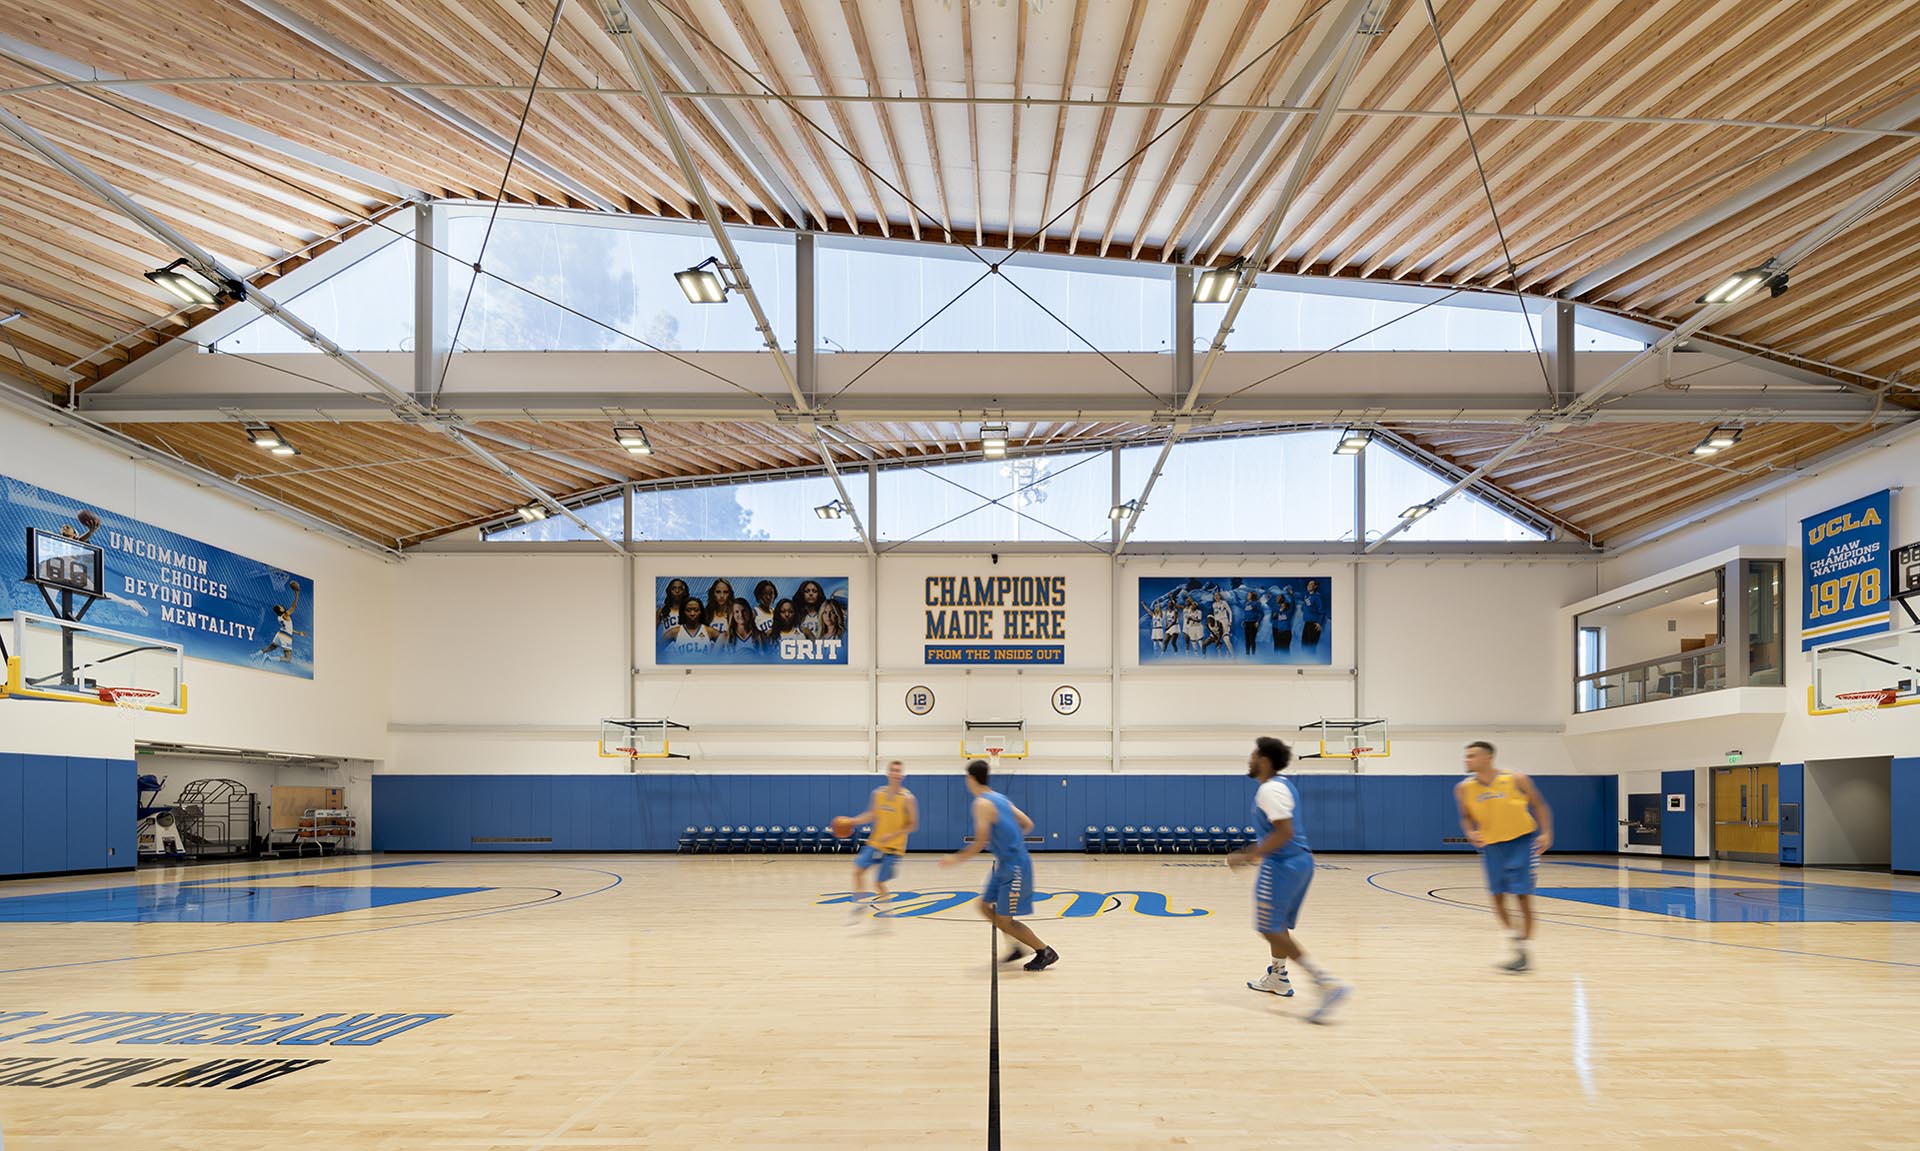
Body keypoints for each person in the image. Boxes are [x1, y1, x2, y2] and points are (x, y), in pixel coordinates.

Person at [1227, 736, 1348, 1023]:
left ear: (1264, 761)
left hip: (1282, 864)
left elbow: (1284, 832)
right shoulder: (1282, 786)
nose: (1250, 760)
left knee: (1268, 928)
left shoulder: (1269, 791)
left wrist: (1248, 855)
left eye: (1254, 755)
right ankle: (1278, 977)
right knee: (1277, 925)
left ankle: (1326, 984)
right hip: (1299, 861)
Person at [941, 761, 1057, 971]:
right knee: (983, 906)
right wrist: (1007, 838)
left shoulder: (981, 804)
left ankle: (1044, 950)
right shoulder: (1000, 798)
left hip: (1015, 866)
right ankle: (1015, 945)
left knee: (1005, 920)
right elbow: (1027, 823)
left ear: (970, 778)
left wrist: (954, 859)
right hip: (1005, 863)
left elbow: (978, 843)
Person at [1454, 740, 1554, 972]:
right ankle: (1515, 943)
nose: (1466, 760)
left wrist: (1546, 833)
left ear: (1488, 758)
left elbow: (1540, 805)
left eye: (1471, 756)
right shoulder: (1463, 788)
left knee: (1522, 897)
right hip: (1491, 847)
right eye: (1466, 756)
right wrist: (1470, 832)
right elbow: (1466, 816)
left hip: (1521, 843)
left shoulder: (1515, 779)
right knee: (1497, 898)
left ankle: (1524, 949)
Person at [839, 761, 917, 917]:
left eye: (898, 771)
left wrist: (893, 834)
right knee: (857, 871)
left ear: (902, 775)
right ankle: (859, 904)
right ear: (888, 774)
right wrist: (853, 821)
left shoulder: (908, 798)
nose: (895, 773)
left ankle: (886, 913)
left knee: (879, 883)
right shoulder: (878, 794)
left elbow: (912, 825)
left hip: (894, 849)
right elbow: (871, 814)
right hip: (876, 844)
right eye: (893, 770)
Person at [260, 580, 305, 662]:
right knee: (288, 659)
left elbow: (288, 629)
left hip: (280, 634)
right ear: (280, 610)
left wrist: (298, 633)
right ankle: (269, 658)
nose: (282, 606)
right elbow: (294, 606)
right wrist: (297, 593)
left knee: (271, 647)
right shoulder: (285, 615)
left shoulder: (279, 617)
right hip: (286, 637)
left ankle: (255, 655)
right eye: (280, 606)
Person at [1300, 580, 1325, 649]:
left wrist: (1319, 623)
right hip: (1307, 623)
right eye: (1308, 584)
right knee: (1304, 645)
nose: (1308, 586)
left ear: (1315, 586)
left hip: (1314, 625)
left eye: (1311, 584)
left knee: (1311, 647)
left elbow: (1321, 610)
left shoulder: (1317, 597)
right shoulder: (1307, 595)